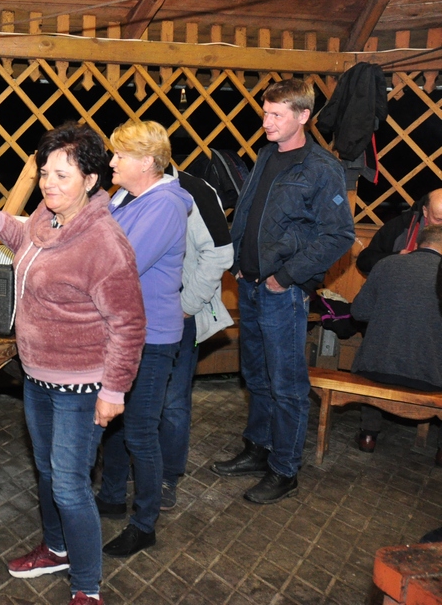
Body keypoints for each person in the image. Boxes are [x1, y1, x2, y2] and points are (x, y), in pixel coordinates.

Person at [0, 123, 146, 605]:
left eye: (62, 175)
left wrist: (114, 391)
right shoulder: (48, 215)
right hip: (37, 375)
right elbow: (28, 244)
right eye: (44, 173)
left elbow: (128, 324)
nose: (49, 183)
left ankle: (87, 588)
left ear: (91, 180)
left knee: (71, 486)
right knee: (47, 472)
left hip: (82, 385)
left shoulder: (103, 241)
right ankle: (56, 549)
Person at [211, 78, 354, 504]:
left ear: (303, 115)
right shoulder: (266, 155)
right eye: (264, 113)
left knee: (287, 384)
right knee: (256, 375)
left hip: (282, 292)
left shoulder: (322, 167)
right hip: (250, 284)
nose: (266, 122)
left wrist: (288, 276)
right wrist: (237, 260)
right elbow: (247, 212)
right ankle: (259, 448)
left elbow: (339, 235)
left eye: (276, 114)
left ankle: (285, 469)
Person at [94, 120, 192, 558]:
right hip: (122, 331)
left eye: (120, 155)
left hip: (152, 335)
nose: (112, 161)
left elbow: (122, 264)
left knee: (140, 431)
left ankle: (145, 523)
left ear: (147, 162)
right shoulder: (125, 197)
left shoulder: (165, 204)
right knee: (115, 422)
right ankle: (112, 496)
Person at [157, 167, 234, 510]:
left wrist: (187, 305)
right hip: (137, 314)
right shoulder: (124, 191)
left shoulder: (194, 190)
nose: (114, 162)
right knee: (136, 395)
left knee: (173, 400)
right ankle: (141, 464)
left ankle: (167, 476)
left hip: (177, 313)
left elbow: (220, 253)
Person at [349, 224, 442, 456]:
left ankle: (368, 435)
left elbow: (359, 312)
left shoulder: (387, 264)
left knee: (374, 351)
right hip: (431, 377)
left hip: (377, 369)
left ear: (417, 244)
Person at [356, 188, 442, 275]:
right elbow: (364, 261)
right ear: (425, 211)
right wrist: (396, 257)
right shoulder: (403, 224)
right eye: (438, 219)